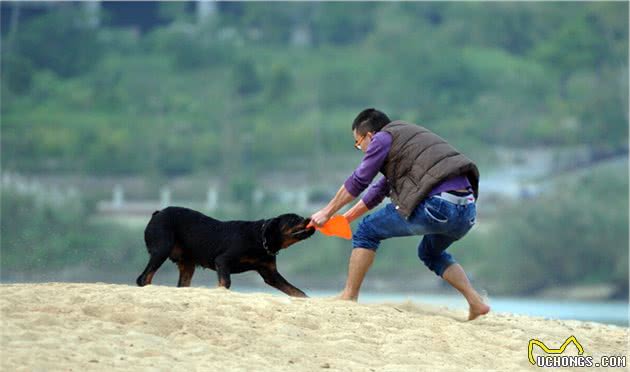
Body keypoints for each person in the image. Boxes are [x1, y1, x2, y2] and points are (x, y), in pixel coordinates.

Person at [310, 108, 490, 320]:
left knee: (367, 230)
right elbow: (379, 190)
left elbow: (360, 180)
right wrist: (345, 219)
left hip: (438, 205)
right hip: (466, 212)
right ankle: (475, 302)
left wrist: (326, 211)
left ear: (369, 135)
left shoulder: (383, 137)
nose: (362, 150)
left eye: (358, 143)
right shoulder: (406, 145)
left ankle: (349, 295)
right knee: (430, 253)